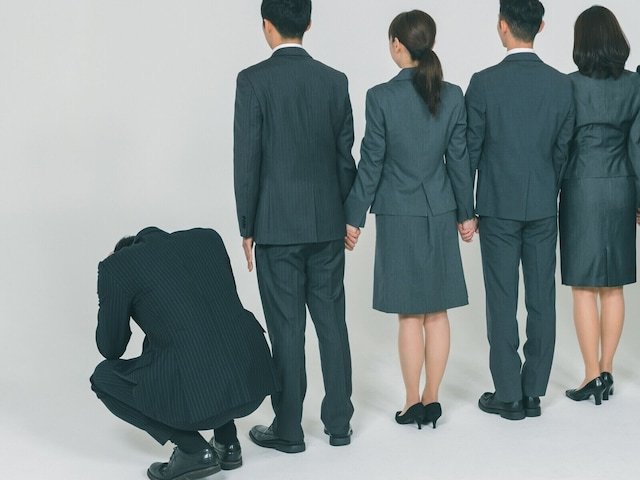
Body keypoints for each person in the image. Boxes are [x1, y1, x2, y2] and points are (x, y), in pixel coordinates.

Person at [233, 0, 357, 452]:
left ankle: (288, 429)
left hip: (276, 225)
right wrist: (349, 216)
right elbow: (345, 158)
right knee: (332, 323)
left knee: (286, 329)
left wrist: (247, 225)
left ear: (267, 26)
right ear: (308, 22)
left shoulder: (252, 81)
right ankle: (339, 423)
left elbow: (247, 159)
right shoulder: (334, 81)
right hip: (326, 223)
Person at [344, 10, 476, 430]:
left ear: (398, 44)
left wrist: (353, 217)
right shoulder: (452, 95)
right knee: (437, 312)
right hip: (439, 210)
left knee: (409, 316)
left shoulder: (381, 97)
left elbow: (372, 163)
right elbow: (459, 161)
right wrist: (467, 214)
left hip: (397, 213)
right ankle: (433, 398)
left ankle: (411, 401)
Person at [90, 227, 278, 480]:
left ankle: (193, 450)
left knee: (103, 378)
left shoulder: (117, 266)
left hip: (203, 398)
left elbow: (110, 348)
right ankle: (228, 443)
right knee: (195, 335)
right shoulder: (208, 238)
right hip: (253, 382)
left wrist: (109, 292)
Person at [465, 0, 575, 420]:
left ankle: (508, 394)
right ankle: (533, 393)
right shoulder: (561, 85)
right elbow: (563, 150)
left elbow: (469, 152)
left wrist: (465, 209)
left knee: (501, 299)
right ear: (541, 26)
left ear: (502, 25)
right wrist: (548, 186)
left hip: (496, 206)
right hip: (544, 203)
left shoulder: (483, 83)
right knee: (542, 299)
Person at [560, 6, 640, 405]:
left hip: (581, 187)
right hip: (622, 186)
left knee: (583, 287)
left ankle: (591, 373)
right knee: (614, 285)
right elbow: (638, 146)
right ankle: (607, 369)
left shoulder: (569, 85)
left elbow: (561, 144)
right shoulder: (635, 85)